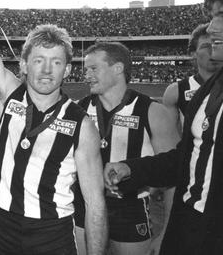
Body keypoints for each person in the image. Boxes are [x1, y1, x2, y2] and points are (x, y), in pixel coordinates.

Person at [105, 0, 223, 254]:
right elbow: (187, 157)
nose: (211, 28)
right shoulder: (208, 91)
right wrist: (133, 168)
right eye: (212, 18)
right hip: (189, 227)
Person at [0, 24, 108, 255]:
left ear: (66, 70)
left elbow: (95, 204)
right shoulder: (10, 96)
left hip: (52, 234)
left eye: (56, 62)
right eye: (38, 60)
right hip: (2, 228)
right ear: (24, 65)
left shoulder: (82, 125)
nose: (47, 70)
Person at [74, 42, 179, 255]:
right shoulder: (78, 110)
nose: (86, 75)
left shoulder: (152, 112)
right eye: (86, 69)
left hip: (130, 210)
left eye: (93, 68)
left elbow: (174, 176)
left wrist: (167, 232)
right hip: (84, 206)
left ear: (118, 68)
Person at [163, 23, 223, 133]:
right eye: (206, 46)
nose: (212, 50)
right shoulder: (175, 91)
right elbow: (171, 135)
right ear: (193, 53)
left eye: (216, 44)